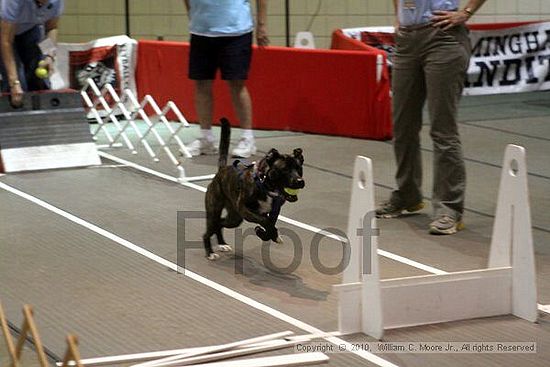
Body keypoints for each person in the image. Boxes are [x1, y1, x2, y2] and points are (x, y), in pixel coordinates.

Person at [376, 0, 487, 235]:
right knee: (403, 126)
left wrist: (465, 13)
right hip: (407, 40)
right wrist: (399, 18)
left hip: (443, 38)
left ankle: (449, 209)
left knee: (442, 129)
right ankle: (408, 195)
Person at [184, 0, 269, 158]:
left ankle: (247, 138)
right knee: (201, 83)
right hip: (200, 32)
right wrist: (193, 15)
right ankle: (206, 138)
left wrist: (262, 25)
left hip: (236, 32)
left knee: (236, 83)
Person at [0, 0, 64, 107]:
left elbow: (51, 28)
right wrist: (14, 82)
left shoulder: (56, 1)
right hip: (4, 32)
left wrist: (49, 56)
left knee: (40, 76)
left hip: (30, 28)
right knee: (18, 84)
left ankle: (45, 118)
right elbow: (6, 41)